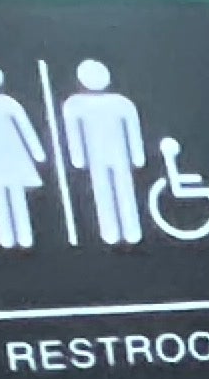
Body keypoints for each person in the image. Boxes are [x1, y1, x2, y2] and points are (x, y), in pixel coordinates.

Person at [61, 60, 146, 248]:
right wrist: (78, 158)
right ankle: (118, 232)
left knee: (113, 190)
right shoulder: (76, 104)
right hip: (102, 156)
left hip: (108, 156)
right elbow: (74, 133)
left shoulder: (78, 104)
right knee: (108, 190)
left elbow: (131, 130)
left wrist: (78, 159)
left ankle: (122, 232)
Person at [0, 69, 44, 251]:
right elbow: (25, 129)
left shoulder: (10, 104)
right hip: (12, 158)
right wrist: (38, 154)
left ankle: (13, 237)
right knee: (10, 196)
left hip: (7, 159)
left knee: (1, 196)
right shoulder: (9, 103)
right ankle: (21, 236)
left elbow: (24, 127)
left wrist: (38, 154)